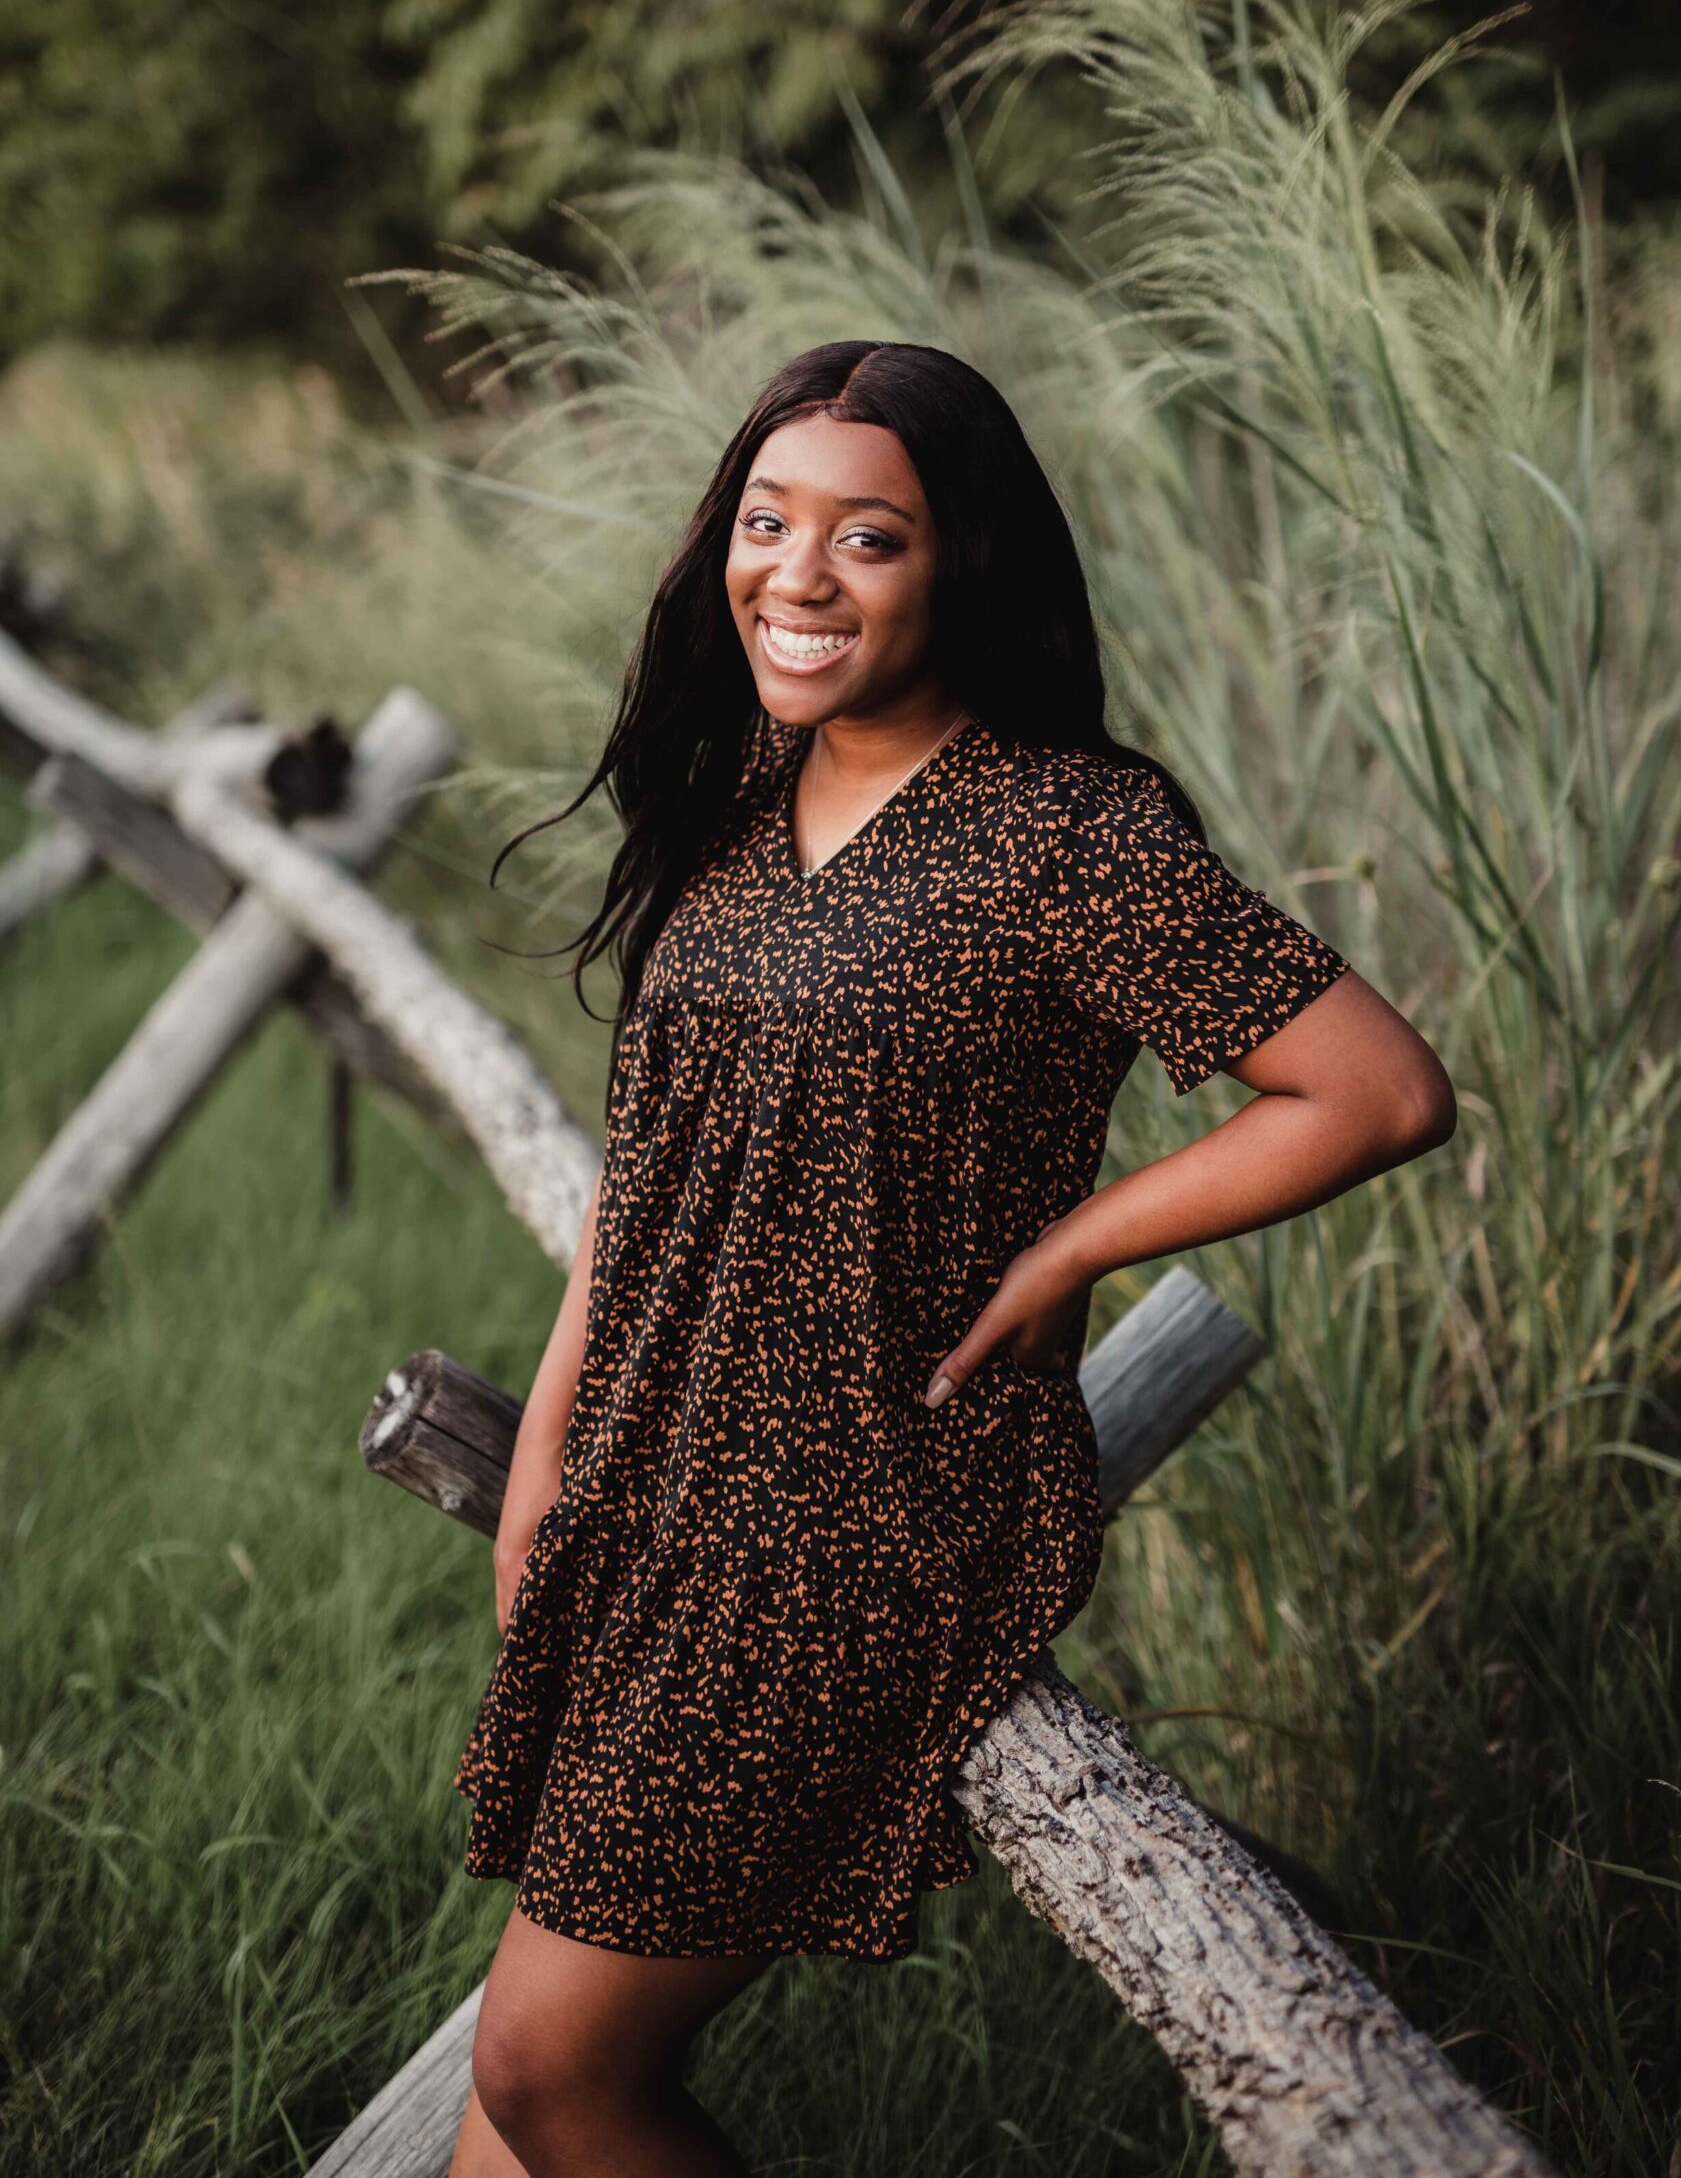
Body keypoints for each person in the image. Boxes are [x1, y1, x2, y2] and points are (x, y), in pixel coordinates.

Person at [445, 341, 1455, 2177]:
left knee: (548, 2075)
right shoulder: (745, 805)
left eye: (867, 538)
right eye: (765, 524)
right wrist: (547, 1458)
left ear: (961, 562)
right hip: (661, 1488)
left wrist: (1074, 1241)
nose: (797, 576)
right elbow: (658, 1178)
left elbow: (1372, 1091)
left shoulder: (1066, 834)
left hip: (859, 1505)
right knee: (510, 2122)